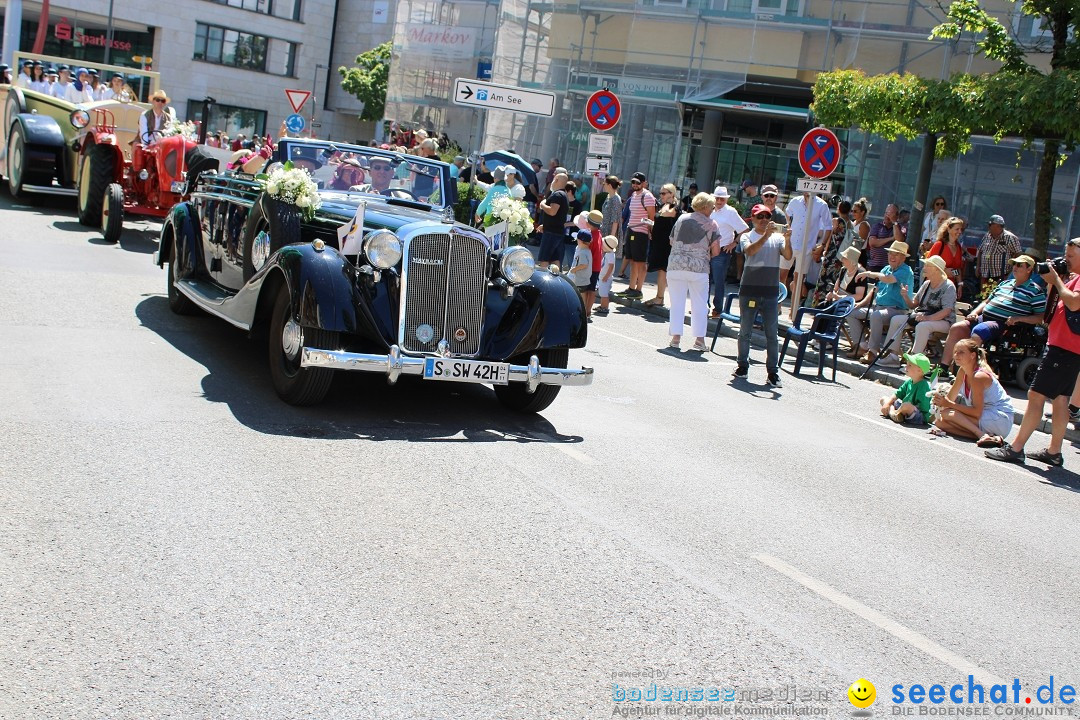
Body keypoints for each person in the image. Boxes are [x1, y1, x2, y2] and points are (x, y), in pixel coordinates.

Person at [987, 239, 1080, 467]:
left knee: (1035, 395)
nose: (1065, 259)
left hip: (1064, 349)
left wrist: (1057, 280)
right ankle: (1054, 452)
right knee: (1060, 400)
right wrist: (1053, 281)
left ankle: (1016, 448)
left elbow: (1074, 303)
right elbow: (1053, 308)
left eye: (1070, 256)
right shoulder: (1074, 278)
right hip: (1065, 347)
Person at [940, 254, 1046, 366]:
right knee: (957, 328)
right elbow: (986, 302)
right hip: (984, 317)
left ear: (1029, 269)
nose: (1015, 267)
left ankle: (968, 371)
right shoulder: (1005, 284)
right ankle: (944, 367)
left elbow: (1040, 317)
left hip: (1005, 324)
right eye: (1014, 264)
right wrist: (974, 312)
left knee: (979, 330)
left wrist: (1018, 318)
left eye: (1019, 265)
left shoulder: (1035, 291)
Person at [734, 204, 792, 386]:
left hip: (770, 292)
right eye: (760, 217)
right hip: (750, 290)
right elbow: (749, 252)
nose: (764, 220)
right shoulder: (747, 236)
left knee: (772, 335)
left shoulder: (778, 238)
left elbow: (788, 256)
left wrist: (788, 240)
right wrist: (765, 236)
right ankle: (742, 365)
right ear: (753, 219)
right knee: (745, 331)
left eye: (767, 216)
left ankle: (773, 373)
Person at [877, 255, 956, 367]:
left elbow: (946, 311)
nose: (924, 268)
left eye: (928, 265)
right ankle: (892, 357)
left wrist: (927, 318)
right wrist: (905, 296)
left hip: (944, 321)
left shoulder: (948, 286)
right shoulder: (926, 284)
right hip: (923, 317)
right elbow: (914, 304)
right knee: (896, 320)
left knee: (922, 326)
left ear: (937, 269)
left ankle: (913, 364)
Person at [934, 338, 1016, 446]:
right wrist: (940, 401)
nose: (956, 355)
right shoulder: (962, 371)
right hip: (986, 417)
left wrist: (949, 404)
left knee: (949, 414)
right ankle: (991, 437)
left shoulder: (978, 376)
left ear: (972, 355)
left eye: (961, 352)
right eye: (955, 352)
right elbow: (949, 399)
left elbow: (976, 412)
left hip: (1000, 418)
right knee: (940, 422)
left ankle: (981, 435)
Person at [847, 240, 915, 364]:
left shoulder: (906, 270)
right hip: (878, 307)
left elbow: (889, 280)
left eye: (896, 254)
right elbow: (875, 290)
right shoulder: (886, 269)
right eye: (890, 253)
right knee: (851, 312)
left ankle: (873, 351)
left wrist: (869, 273)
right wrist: (861, 304)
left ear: (903, 258)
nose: (892, 256)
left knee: (876, 315)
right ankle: (861, 345)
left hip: (896, 310)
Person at [667, 192, 718, 352]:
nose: (713, 209)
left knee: (677, 303)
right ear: (705, 207)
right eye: (712, 206)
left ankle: (676, 338)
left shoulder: (682, 219)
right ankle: (699, 340)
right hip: (699, 267)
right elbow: (716, 250)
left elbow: (671, 240)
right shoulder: (711, 224)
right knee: (700, 304)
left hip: (676, 265)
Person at [783, 190, 832, 305]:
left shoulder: (821, 204)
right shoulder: (795, 201)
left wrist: (822, 245)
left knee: (799, 280)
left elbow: (828, 226)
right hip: (790, 243)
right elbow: (787, 214)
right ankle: (777, 306)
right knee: (782, 275)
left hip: (807, 246)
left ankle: (793, 311)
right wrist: (788, 226)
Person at [708, 185, 749, 317]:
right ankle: (704, 306)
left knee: (718, 281)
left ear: (726, 199)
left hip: (722, 251)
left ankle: (718, 309)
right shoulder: (709, 209)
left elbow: (744, 229)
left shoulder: (730, 212)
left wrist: (734, 243)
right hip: (707, 250)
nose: (719, 201)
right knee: (704, 280)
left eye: (722, 199)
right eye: (717, 198)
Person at [645, 183, 681, 307]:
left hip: (668, 245)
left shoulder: (674, 207)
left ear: (672, 194)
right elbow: (659, 219)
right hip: (658, 243)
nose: (661, 196)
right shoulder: (662, 206)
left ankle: (661, 297)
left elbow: (666, 214)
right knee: (661, 270)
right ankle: (659, 296)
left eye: (664, 193)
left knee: (664, 270)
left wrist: (669, 202)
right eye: (660, 193)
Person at [811, 201, 852, 307]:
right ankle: (830, 304)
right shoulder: (849, 223)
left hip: (832, 255)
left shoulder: (836, 221)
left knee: (824, 279)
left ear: (839, 208)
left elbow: (830, 237)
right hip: (842, 256)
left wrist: (824, 249)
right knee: (834, 281)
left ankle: (819, 304)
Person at [624, 172, 656, 299]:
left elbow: (651, 217)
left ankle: (639, 290)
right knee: (632, 260)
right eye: (633, 182)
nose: (635, 185)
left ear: (644, 183)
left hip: (641, 232)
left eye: (638, 182)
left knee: (640, 262)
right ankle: (631, 287)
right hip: (631, 230)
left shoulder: (647, 196)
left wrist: (649, 232)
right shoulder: (633, 194)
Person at [880, 353, 933, 424]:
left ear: (920, 370)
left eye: (910, 365)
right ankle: (896, 414)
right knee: (884, 399)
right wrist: (888, 404)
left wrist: (905, 408)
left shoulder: (923, 386)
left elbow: (924, 408)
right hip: (904, 409)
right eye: (907, 364)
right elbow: (898, 394)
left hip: (918, 415)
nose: (906, 367)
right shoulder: (909, 381)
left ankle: (895, 413)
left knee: (906, 405)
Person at [976, 214, 1021, 286]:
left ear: (998, 226)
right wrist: (978, 267)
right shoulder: (987, 236)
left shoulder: (1010, 237)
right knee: (984, 295)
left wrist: (1010, 273)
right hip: (985, 273)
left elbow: (1018, 255)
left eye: (990, 224)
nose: (988, 226)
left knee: (997, 295)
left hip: (1001, 275)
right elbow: (980, 251)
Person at [537, 173, 569, 269]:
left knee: (544, 259)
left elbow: (552, 211)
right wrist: (545, 225)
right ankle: (556, 279)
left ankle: (543, 281)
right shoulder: (563, 195)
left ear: (556, 180)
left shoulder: (558, 194)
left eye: (554, 179)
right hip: (556, 231)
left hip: (551, 233)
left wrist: (542, 204)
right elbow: (557, 216)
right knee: (555, 259)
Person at [927, 216, 965, 291]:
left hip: (950, 287)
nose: (960, 232)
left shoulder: (958, 247)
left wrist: (960, 284)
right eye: (957, 229)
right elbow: (928, 264)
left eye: (961, 229)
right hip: (935, 285)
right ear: (948, 229)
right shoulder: (939, 245)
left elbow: (957, 269)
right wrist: (944, 270)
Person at [866, 203, 902, 273]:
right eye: (886, 213)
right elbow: (872, 242)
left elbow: (899, 239)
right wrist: (891, 239)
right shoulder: (877, 226)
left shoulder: (898, 228)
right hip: (875, 265)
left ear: (897, 215)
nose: (887, 216)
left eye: (891, 213)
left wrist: (894, 222)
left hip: (890, 267)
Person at [568, 230, 594, 319]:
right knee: (583, 294)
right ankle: (583, 312)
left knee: (579, 296)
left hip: (580, 279)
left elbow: (584, 264)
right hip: (585, 278)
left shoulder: (582, 252)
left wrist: (573, 270)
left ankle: (580, 313)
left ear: (580, 240)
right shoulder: (587, 250)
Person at [595, 235, 619, 316]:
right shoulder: (608, 253)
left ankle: (605, 307)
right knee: (602, 293)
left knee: (604, 294)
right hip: (603, 277)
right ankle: (602, 305)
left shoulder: (610, 254)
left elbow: (611, 266)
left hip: (606, 278)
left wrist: (606, 276)